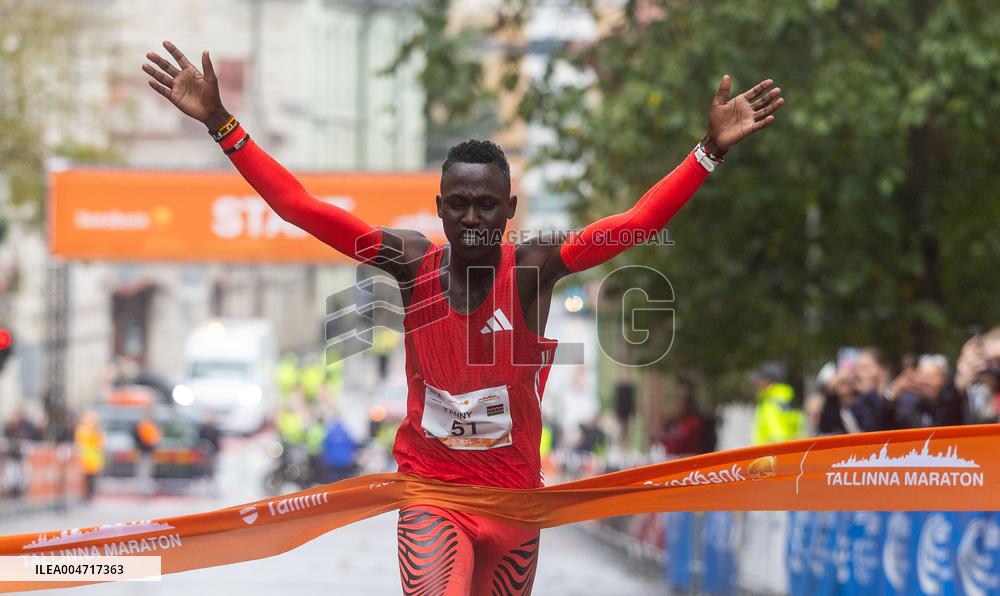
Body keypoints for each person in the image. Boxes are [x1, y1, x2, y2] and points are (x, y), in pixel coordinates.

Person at [142, 40, 783, 595]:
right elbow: (301, 208)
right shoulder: (409, 264)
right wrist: (223, 124)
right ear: (440, 209)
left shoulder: (533, 269)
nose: (472, 218)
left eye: (485, 205)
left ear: (509, 209)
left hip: (516, 503)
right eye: (459, 205)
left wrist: (708, 151)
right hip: (433, 495)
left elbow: (637, 223)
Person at [750, 362, 802, 445]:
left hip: (778, 453)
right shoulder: (768, 400)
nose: (756, 383)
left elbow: (780, 434)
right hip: (770, 453)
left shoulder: (776, 400)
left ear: (769, 381)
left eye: (760, 380)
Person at [74, 410, 105, 501]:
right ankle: (86, 495)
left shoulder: (96, 431)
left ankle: (89, 495)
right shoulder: (83, 430)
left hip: (92, 459)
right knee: (86, 479)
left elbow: (101, 443)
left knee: (91, 479)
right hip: (85, 458)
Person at [131, 406, 161, 497]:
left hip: (146, 451)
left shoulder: (148, 425)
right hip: (144, 451)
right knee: (143, 471)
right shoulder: (144, 425)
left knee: (145, 471)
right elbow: (146, 439)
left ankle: (144, 489)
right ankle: (142, 490)